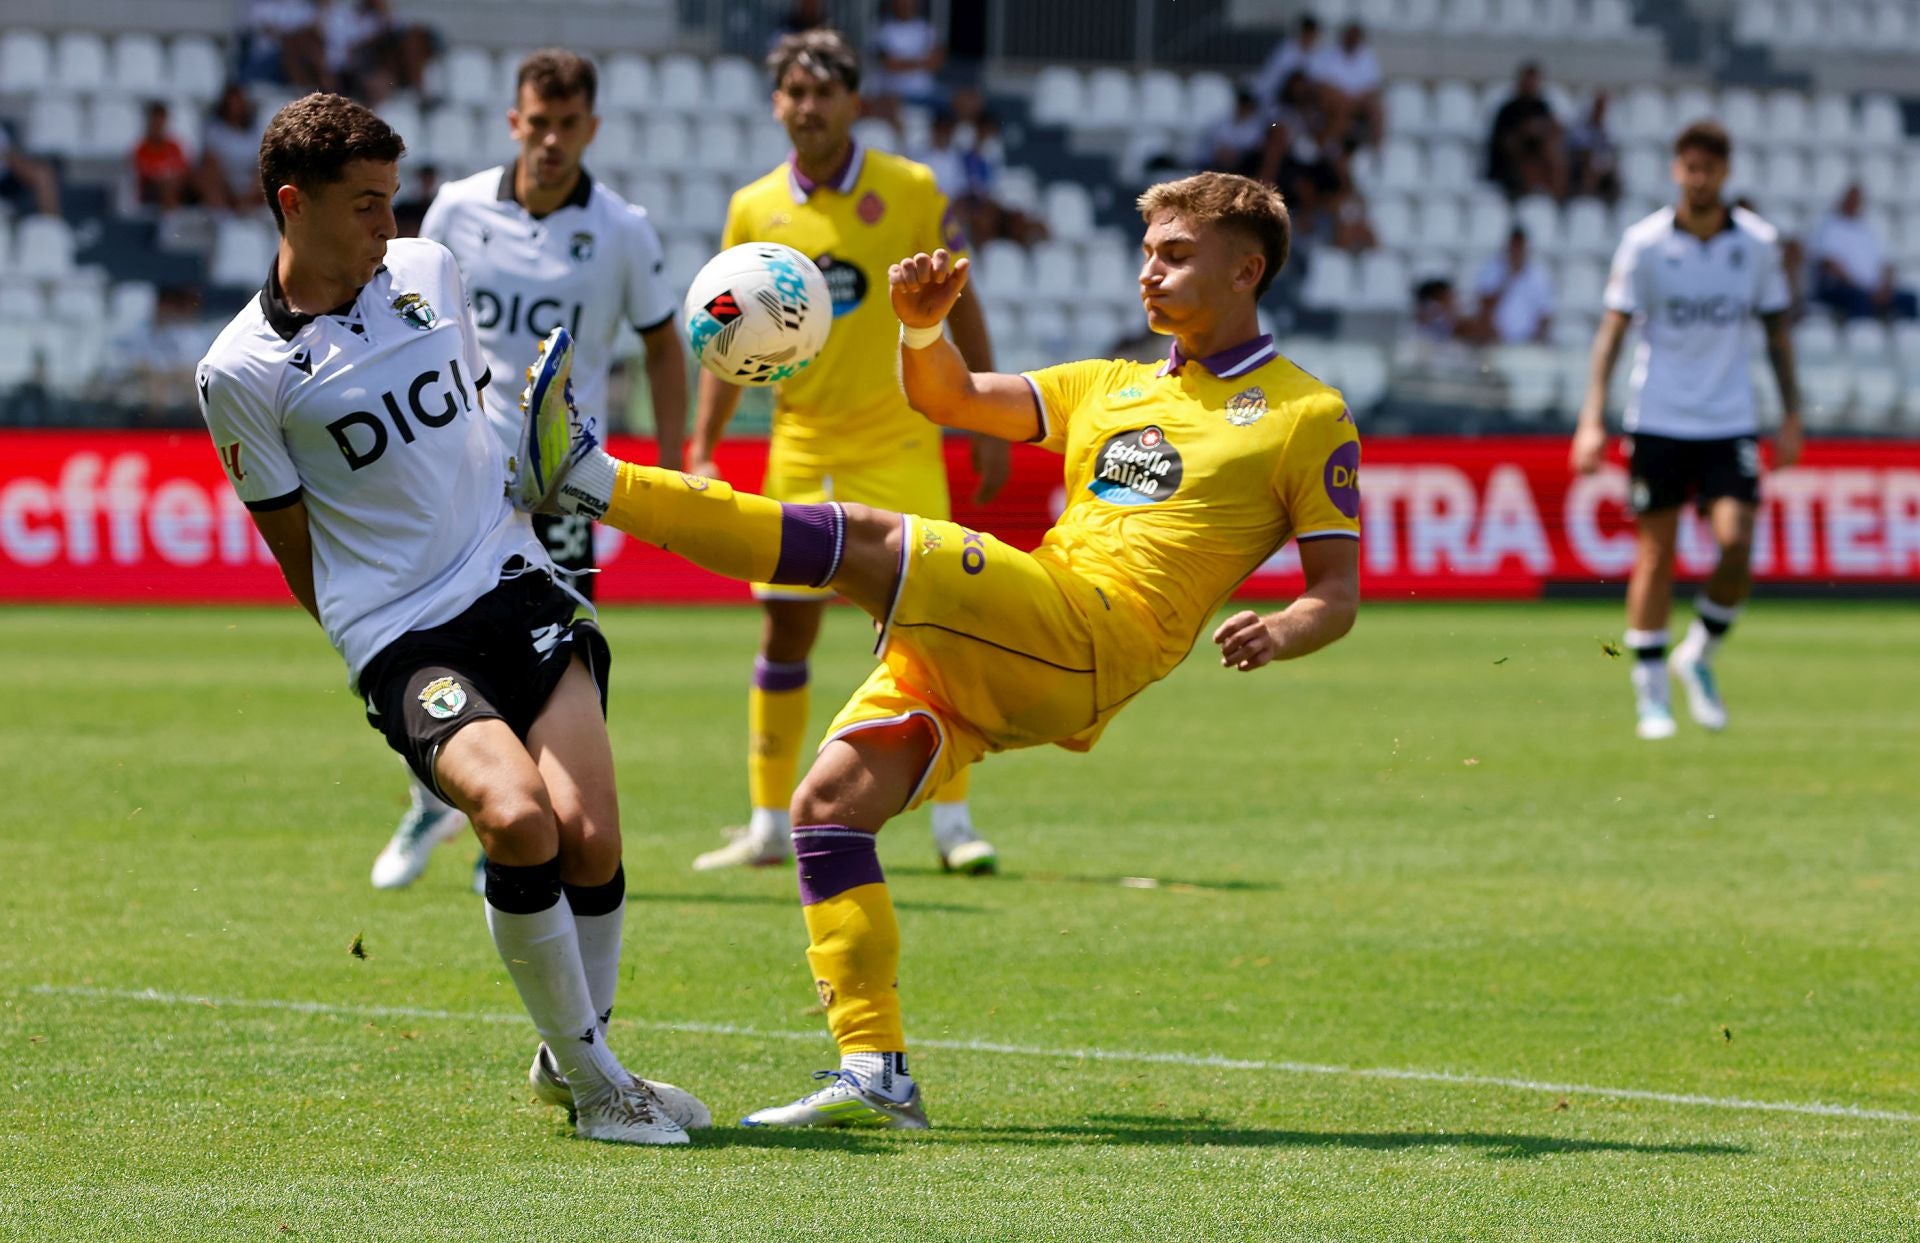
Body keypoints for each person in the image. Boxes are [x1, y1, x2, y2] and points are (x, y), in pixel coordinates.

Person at [510, 168, 1361, 1126]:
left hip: (1095, 631)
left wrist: (1280, 628)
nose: (1148, 273)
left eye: (1175, 255)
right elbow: (947, 394)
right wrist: (920, 327)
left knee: (864, 536)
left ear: (1247, 271)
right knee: (829, 808)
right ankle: (875, 1068)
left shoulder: (1305, 414)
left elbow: (1336, 593)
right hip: (1022, 641)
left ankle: (589, 477)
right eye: (1146, 252)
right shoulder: (1110, 384)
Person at [194, 92, 707, 1144]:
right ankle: (600, 1086)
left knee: (591, 838)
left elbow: (476, 421)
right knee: (516, 819)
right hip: (402, 634)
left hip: (516, 579)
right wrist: (371, 653)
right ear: (293, 205)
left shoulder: (429, 270)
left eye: (394, 198)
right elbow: (294, 547)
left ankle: (576, 1058)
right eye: (365, 205)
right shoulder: (237, 370)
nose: (390, 226)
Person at [686, 29, 1007, 875]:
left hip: (900, 440)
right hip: (801, 442)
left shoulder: (911, 188)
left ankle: (953, 825)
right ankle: (765, 822)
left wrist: (982, 415)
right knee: (785, 628)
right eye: (794, 92)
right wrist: (703, 445)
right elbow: (724, 337)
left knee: (933, 630)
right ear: (776, 104)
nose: (808, 107)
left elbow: (961, 300)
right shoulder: (754, 207)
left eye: (824, 92)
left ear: (854, 101)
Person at [368, 49, 690, 895]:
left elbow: (663, 344)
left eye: (567, 124)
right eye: (538, 123)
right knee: (433, 640)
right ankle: (433, 801)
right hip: (460, 471)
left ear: (592, 128)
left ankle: (516, 829)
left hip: (563, 480)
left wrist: (674, 460)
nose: (551, 140)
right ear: (514, 122)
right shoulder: (458, 208)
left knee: (554, 659)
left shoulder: (622, 229)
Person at [1570, 121, 1801, 740]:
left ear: (1725, 173)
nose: (1699, 179)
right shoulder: (1644, 243)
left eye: (1709, 169)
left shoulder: (1757, 244)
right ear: (1677, 170)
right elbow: (1611, 335)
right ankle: (1651, 695)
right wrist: (1591, 419)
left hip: (1730, 420)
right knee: (1656, 552)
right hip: (1659, 419)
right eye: (1690, 168)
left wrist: (1792, 415)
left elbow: (1778, 334)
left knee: (1738, 542)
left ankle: (1697, 653)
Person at [1809, 184, 1919, 321]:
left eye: (1858, 200)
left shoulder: (1867, 229)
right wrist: (1861, 288)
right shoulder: (1830, 226)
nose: (1855, 203)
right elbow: (1830, 264)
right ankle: (1863, 333)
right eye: (1852, 199)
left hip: (1872, 290)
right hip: (1843, 288)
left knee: (1909, 299)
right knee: (1859, 300)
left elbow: (1886, 263)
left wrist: (1885, 287)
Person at [1485, 62, 1566, 201]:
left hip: (1539, 156)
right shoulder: (1508, 110)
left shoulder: (1541, 107)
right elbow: (1503, 144)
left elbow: (1554, 130)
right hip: (1511, 164)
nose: (1531, 86)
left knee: (1553, 151)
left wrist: (1542, 130)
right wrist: (1524, 132)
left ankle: (1556, 195)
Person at [1472, 226, 1554, 343]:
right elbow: (1484, 308)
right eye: (1514, 247)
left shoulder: (1538, 276)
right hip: (1496, 340)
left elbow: (1545, 314)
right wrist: (1507, 279)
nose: (1517, 251)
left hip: (1528, 342)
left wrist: (1536, 339)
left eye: (1520, 247)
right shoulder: (1492, 270)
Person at [867, 0, 946, 117]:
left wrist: (902, 61)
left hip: (926, 94)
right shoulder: (881, 30)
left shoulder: (926, 29)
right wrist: (922, 61)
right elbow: (890, 65)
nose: (905, 5)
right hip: (894, 96)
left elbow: (937, 62)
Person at [197, 84, 266, 215]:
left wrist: (249, 190)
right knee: (208, 172)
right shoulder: (215, 130)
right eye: (232, 103)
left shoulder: (255, 130)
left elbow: (259, 162)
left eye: (238, 103)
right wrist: (228, 188)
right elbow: (211, 161)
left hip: (249, 182)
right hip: (224, 181)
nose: (235, 107)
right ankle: (222, 214)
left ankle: (248, 210)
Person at [1252, 13, 1322, 113]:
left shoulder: (1317, 54)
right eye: (1307, 33)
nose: (1310, 37)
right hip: (1279, 101)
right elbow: (1273, 80)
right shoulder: (1285, 51)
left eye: (1312, 34)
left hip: (1304, 105)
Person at [132, 101, 195, 211]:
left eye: (161, 123)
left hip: (177, 187)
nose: (158, 127)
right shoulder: (141, 149)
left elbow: (185, 168)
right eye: (155, 123)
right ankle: (171, 218)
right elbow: (148, 176)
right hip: (153, 192)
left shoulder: (174, 146)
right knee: (167, 185)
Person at [1566, 92, 1620, 203]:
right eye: (1598, 108)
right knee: (1589, 162)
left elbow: (1610, 151)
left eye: (1603, 108)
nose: (1601, 111)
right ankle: (1586, 195)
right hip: (1579, 165)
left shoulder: (1608, 129)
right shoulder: (1581, 128)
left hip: (1601, 164)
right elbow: (1579, 150)